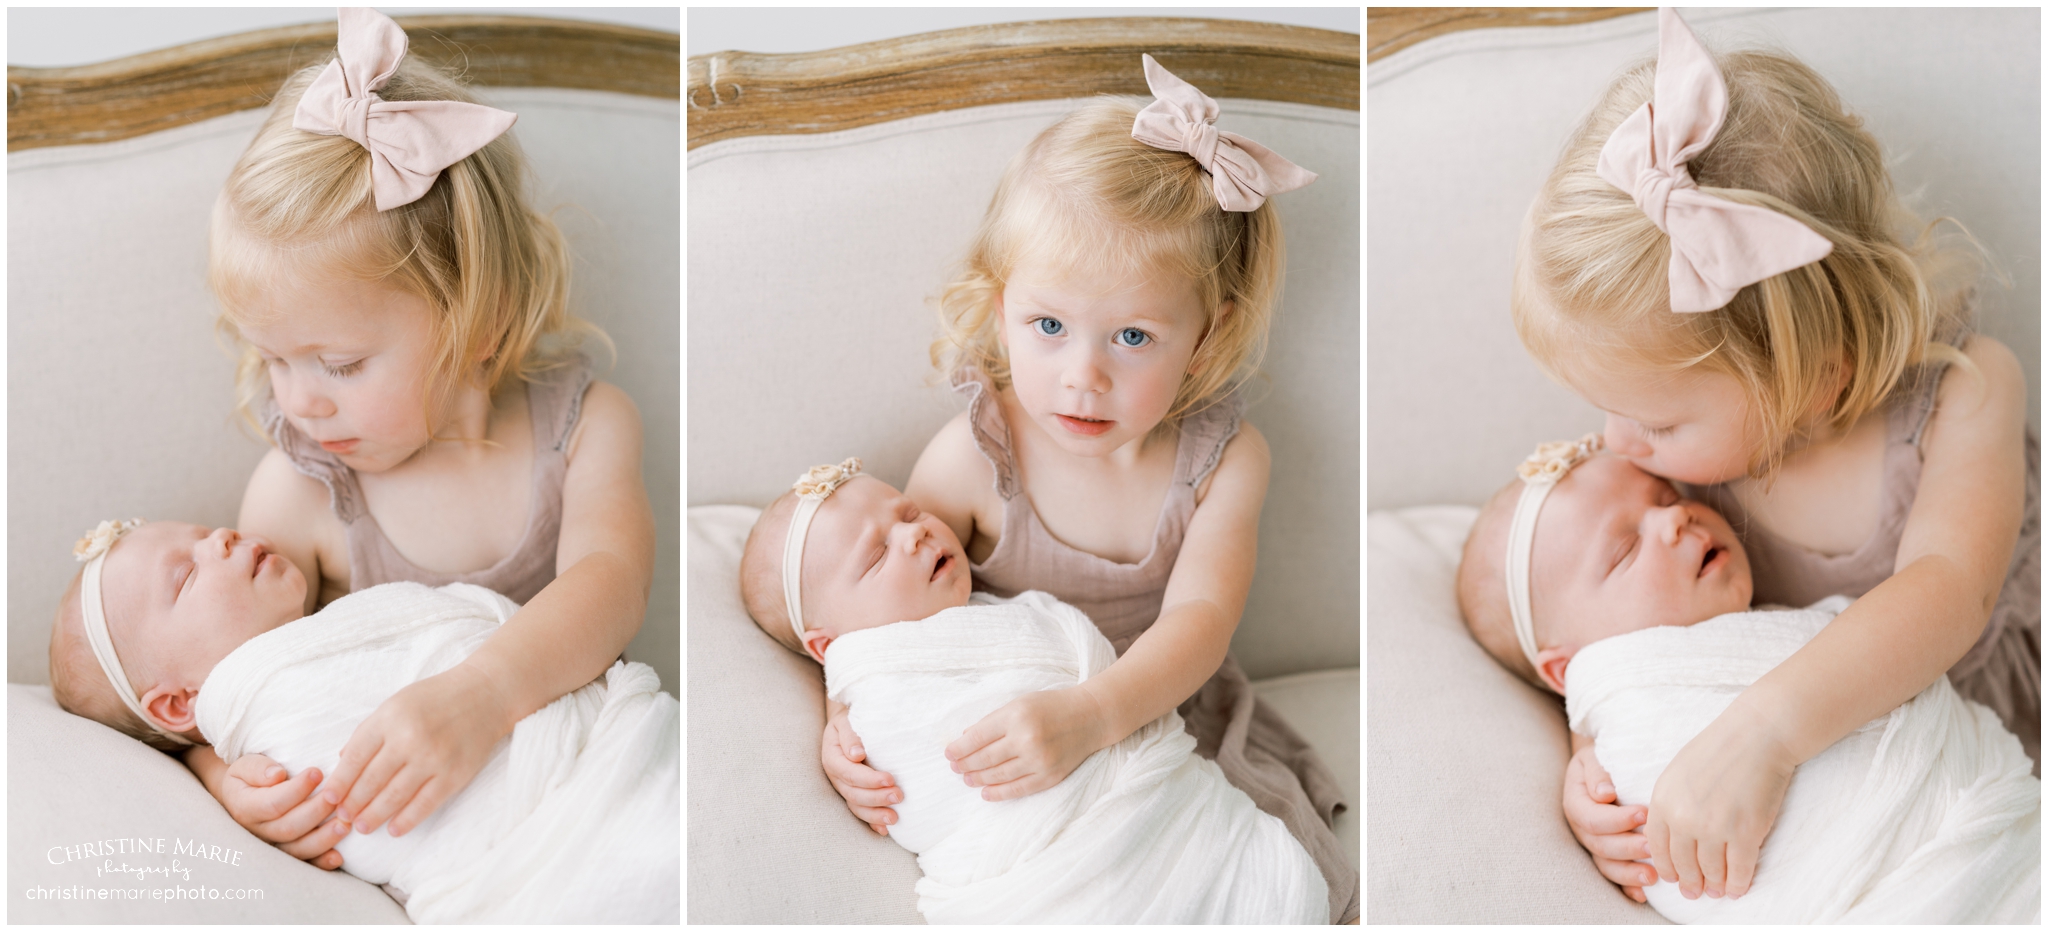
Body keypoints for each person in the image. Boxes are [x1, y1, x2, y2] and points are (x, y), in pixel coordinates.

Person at [809, 53, 1355, 922]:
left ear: (1205, 340)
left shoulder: (1225, 461)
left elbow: (1199, 625)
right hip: (1010, 721)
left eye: (1133, 336)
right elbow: (881, 627)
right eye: (1050, 325)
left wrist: (1097, 714)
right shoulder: (971, 460)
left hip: (1158, 705)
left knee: (1240, 876)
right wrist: (841, 726)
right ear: (1001, 313)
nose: (1083, 377)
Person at [1511, 7, 2036, 905]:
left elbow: (1950, 592)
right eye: (1606, 409)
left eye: (1659, 422)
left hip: (1998, 713)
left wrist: (1765, 733)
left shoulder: (1966, 391)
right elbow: (1609, 633)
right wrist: (1595, 755)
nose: (1618, 443)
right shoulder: (1666, 488)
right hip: (1867, 775)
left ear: (1816, 379)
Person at [186, 8, 655, 872]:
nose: (299, 403)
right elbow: (219, 683)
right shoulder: (302, 490)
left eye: (338, 362)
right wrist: (220, 774)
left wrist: (482, 695)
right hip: (420, 835)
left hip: (578, 792)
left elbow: (612, 584)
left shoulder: (583, 429)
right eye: (272, 360)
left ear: (482, 320)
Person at [1455, 440, 2037, 923]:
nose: (1673, 516)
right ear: (1569, 668)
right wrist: (1591, 740)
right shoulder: (1622, 723)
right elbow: (1622, 703)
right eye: (1625, 550)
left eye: (1664, 496)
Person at [737, 461, 1326, 923]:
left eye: (908, 513)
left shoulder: (987, 616)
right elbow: (911, 760)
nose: (913, 533)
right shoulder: (880, 697)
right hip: (1046, 883)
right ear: (827, 646)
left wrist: (1092, 710)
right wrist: (843, 707)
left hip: (1148, 730)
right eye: (876, 554)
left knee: (1271, 880)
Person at [48, 519, 678, 923]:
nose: (222, 538)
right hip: (545, 866)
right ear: (177, 707)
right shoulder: (273, 720)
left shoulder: (324, 626)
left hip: (612, 753)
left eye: (205, 530)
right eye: (187, 574)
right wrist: (217, 769)